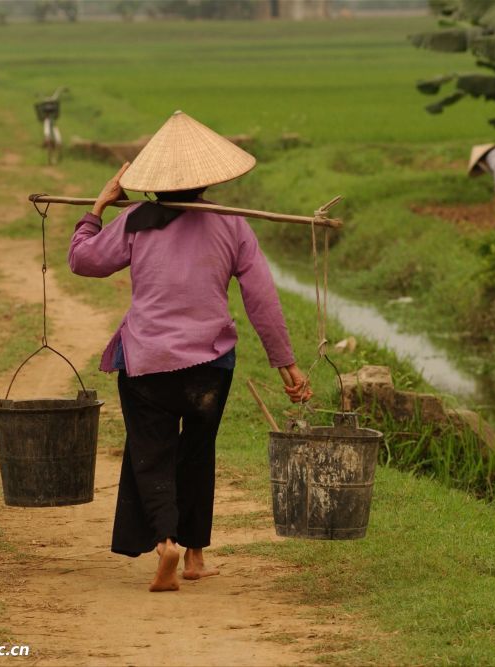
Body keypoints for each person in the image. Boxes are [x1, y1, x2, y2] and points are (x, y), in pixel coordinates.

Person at [68, 110, 312, 592]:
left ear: (152, 182)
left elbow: (83, 261)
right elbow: (261, 297)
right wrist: (286, 363)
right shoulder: (233, 225)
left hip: (147, 364)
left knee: (151, 453)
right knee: (198, 452)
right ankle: (197, 557)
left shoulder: (136, 220)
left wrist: (97, 207)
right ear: (205, 181)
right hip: (210, 366)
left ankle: (166, 545)